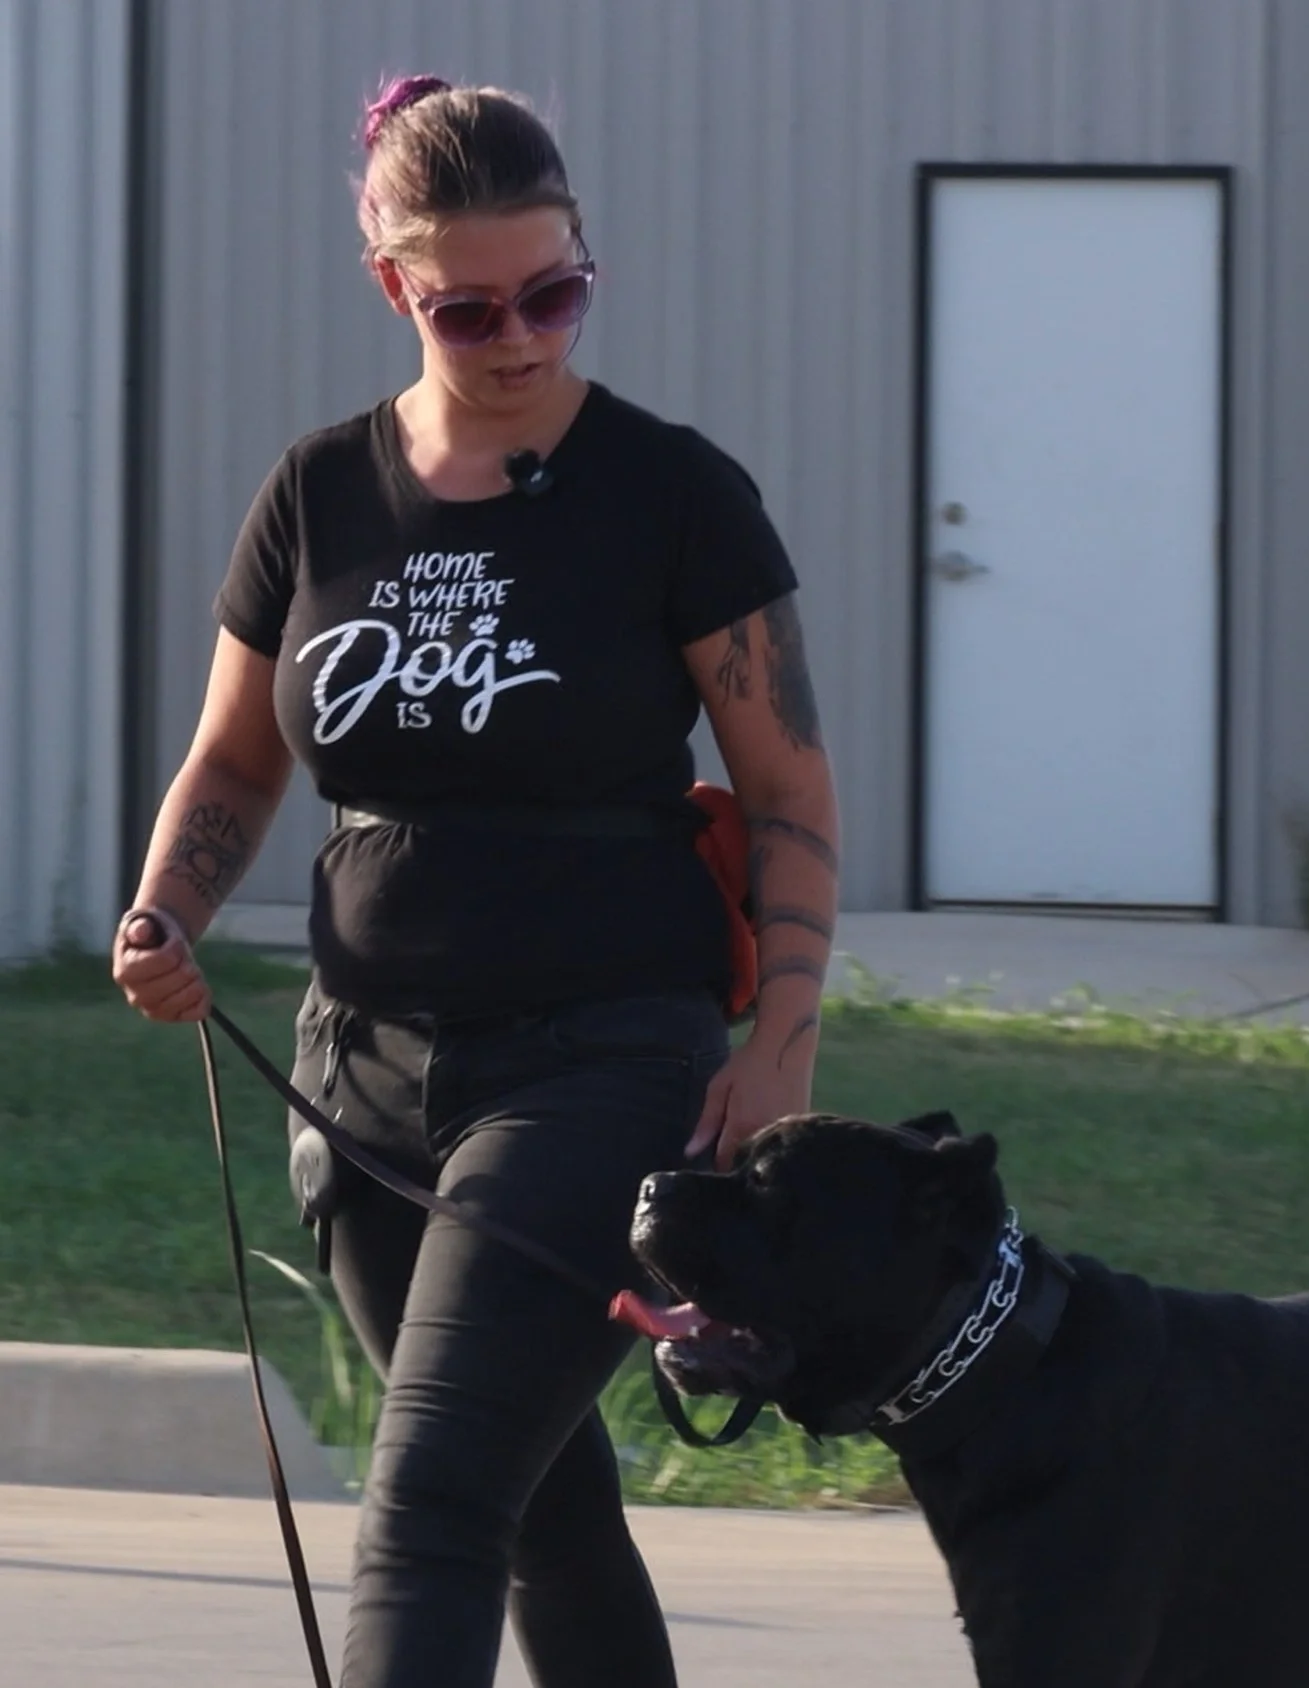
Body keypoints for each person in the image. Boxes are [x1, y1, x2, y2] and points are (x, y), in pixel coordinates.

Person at [110, 74, 840, 1688]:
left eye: (557, 292)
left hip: (598, 1061)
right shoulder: (317, 492)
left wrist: (779, 1045)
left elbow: (787, 789)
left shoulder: (674, 495)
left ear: (587, 259)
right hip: (357, 1077)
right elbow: (237, 761)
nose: (520, 337)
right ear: (395, 289)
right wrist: (172, 907)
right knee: (538, 1514)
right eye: (469, 308)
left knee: (432, 1496)